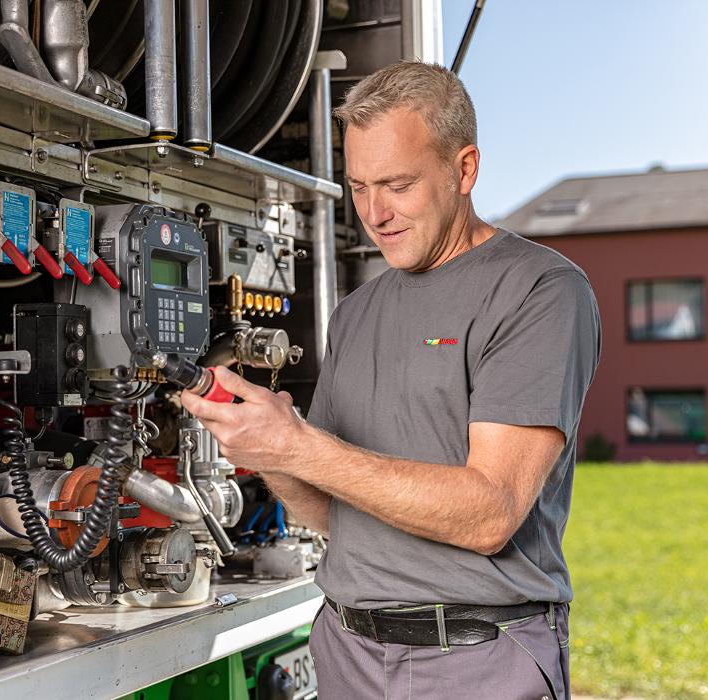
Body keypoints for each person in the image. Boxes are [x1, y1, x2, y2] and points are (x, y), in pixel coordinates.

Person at [181, 60, 601, 700]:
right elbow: (333, 513)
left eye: (398, 185)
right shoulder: (357, 312)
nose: (375, 213)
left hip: (475, 658)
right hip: (348, 652)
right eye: (358, 188)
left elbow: (491, 512)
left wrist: (298, 445)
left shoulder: (538, 290)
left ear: (465, 170)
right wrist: (263, 446)